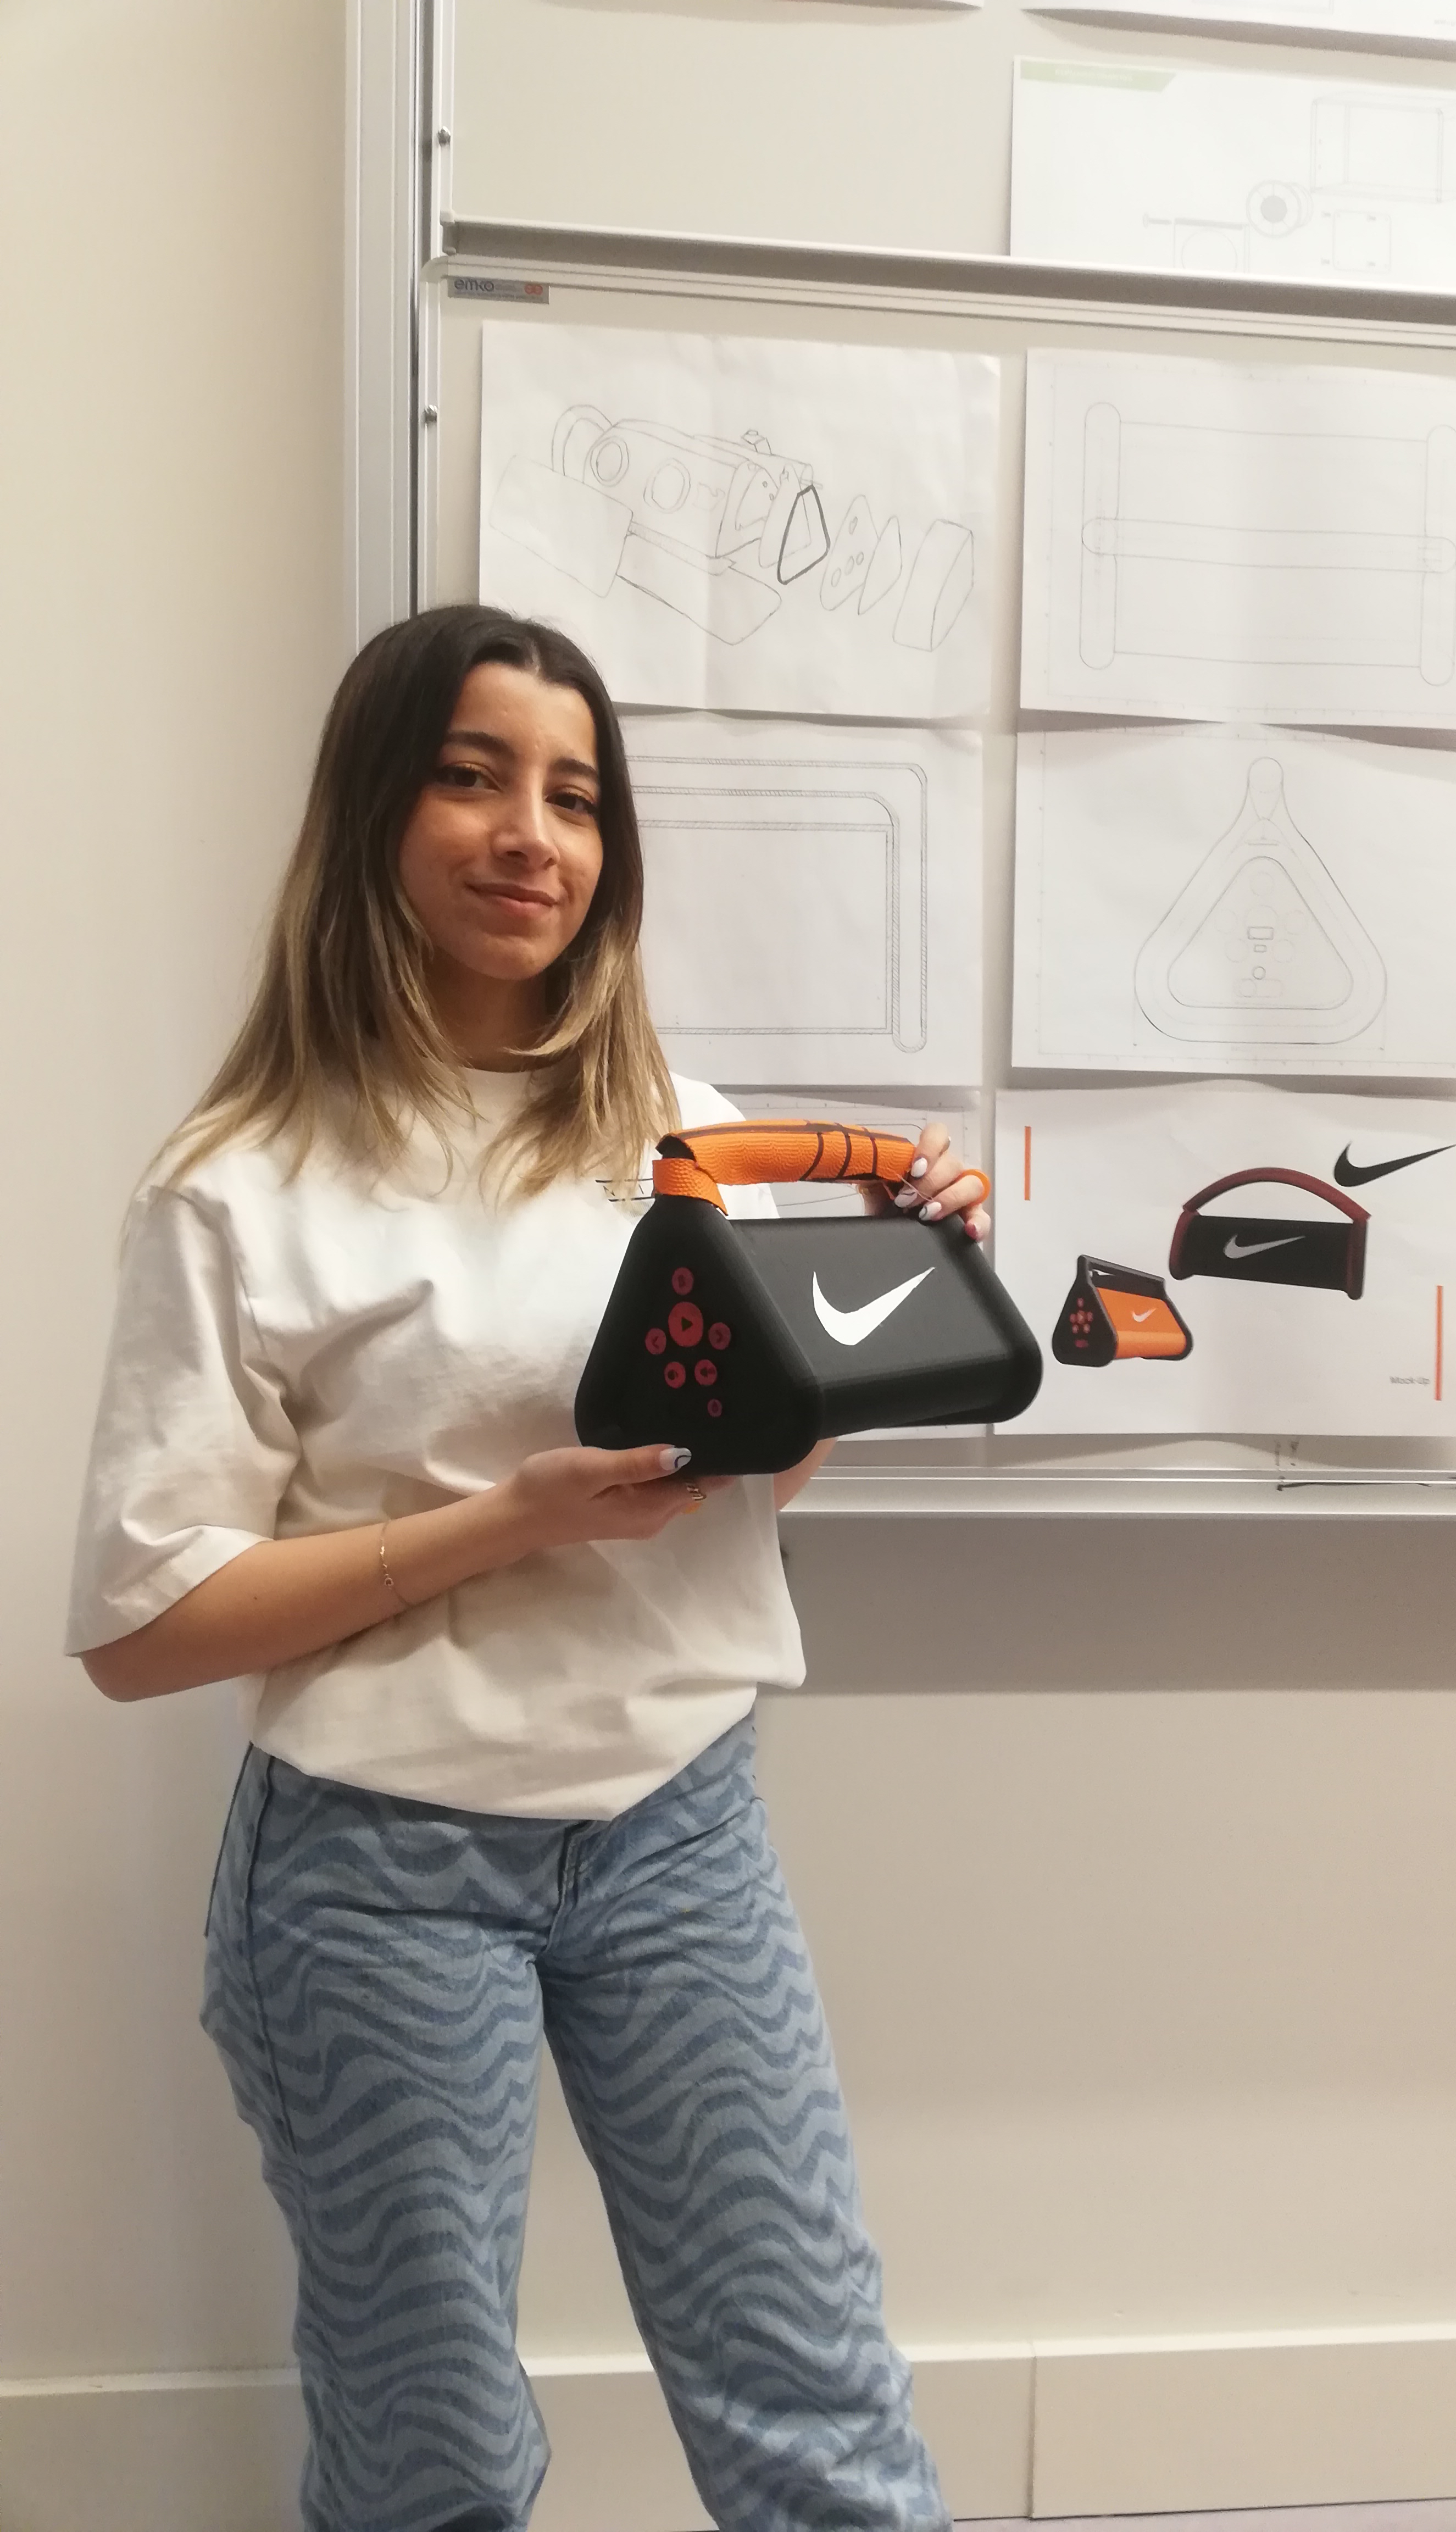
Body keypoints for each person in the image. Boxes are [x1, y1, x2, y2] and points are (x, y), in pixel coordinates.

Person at [65, 603, 991, 2532]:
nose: (531, 836)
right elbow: (148, 1630)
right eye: (472, 777)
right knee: (436, 2452)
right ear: (373, 812)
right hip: (374, 1871)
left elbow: (749, 1478)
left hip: (679, 1823)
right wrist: (512, 1520)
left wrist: (902, 1290)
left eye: (575, 796)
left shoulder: (688, 1139)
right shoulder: (239, 1181)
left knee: (813, 2393)